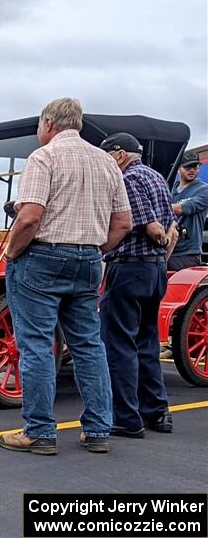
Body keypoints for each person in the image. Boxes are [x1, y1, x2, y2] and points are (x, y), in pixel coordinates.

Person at [0, 98, 132, 455]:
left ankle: (40, 431)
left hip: (42, 257)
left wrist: (12, 252)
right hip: (89, 257)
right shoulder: (107, 161)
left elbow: (28, 217)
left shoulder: (43, 158)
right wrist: (92, 250)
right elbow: (123, 223)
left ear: (48, 123)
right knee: (89, 345)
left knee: (38, 345)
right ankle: (98, 430)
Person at [99, 133, 176, 438]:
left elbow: (148, 227)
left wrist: (100, 250)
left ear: (118, 155)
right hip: (156, 270)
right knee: (146, 343)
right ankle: (157, 413)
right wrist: (159, 257)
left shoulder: (128, 180)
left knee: (118, 345)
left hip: (129, 268)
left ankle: (126, 419)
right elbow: (171, 229)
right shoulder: (157, 177)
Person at [168, 152, 208, 271]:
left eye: (195, 167)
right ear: (179, 169)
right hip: (167, 249)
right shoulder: (169, 189)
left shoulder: (203, 190)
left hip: (187, 253)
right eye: (187, 167)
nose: (191, 170)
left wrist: (158, 207)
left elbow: (180, 209)